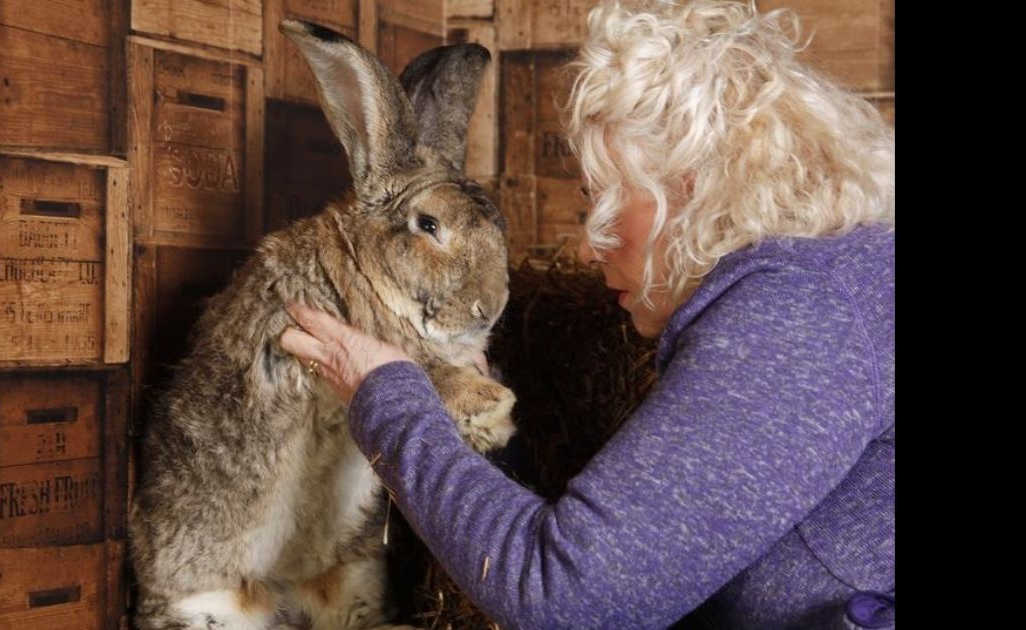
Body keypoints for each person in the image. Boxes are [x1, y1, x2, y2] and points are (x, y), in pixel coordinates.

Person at [279, 1, 894, 627]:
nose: (584, 246)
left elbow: (572, 599)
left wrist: (383, 394)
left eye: (603, 199)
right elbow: (650, 561)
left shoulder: (805, 313)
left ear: (694, 186)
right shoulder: (836, 283)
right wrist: (485, 448)